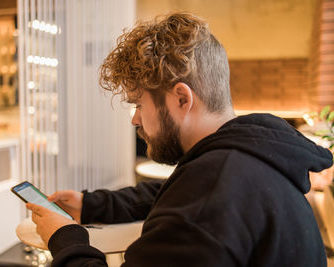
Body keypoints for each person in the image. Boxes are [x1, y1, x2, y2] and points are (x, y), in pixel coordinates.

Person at [27, 12, 333, 266]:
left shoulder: (210, 196)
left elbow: (194, 203)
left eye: (138, 104)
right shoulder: (245, 158)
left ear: (181, 99)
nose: (135, 119)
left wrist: (65, 237)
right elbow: (175, 192)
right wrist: (93, 205)